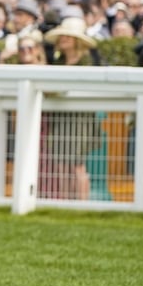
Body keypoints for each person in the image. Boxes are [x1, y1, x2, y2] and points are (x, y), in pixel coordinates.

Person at [43, 16, 104, 200]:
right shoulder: (59, 62)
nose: (63, 39)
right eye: (62, 36)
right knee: (61, 164)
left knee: (77, 164)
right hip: (60, 117)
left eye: (67, 36)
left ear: (77, 40)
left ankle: (82, 204)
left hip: (80, 119)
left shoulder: (87, 61)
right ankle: (65, 205)